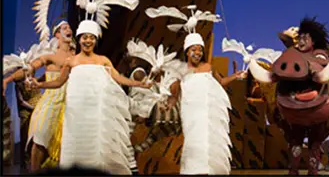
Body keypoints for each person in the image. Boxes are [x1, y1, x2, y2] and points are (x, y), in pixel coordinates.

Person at [31, 19, 152, 174]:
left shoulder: (103, 60)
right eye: (85, 37)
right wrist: (40, 85)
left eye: (92, 37)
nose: (88, 41)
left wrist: (140, 84)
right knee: (77, 146)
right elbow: (59, 82)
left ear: (95, 39)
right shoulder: (71, 61)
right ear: (79, 38)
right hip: (76, 114)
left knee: (97, 149)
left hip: (96, 114)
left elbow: (118, 78)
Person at [167, 31, 245, 175]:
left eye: (200, 50)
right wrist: (170, 102)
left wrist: (235, 76)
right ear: (187, 51)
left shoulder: (208, 67)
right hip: (191, 113)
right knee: (193, 142)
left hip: (207, 111)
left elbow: (221, 82)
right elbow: (174, 93)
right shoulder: (181, 70)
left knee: (208, 143)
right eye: (194, 49)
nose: (198, 53)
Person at [2, 21, 75, 172]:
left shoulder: (76, 55)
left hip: (71, 102)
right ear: (57, 34)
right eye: (64, 28)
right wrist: (8, 79)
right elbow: (30, 68)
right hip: (52, 100)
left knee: (65, 144)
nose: (69, 29)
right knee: (40, 138)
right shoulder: (50, 54)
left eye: (69, 27)